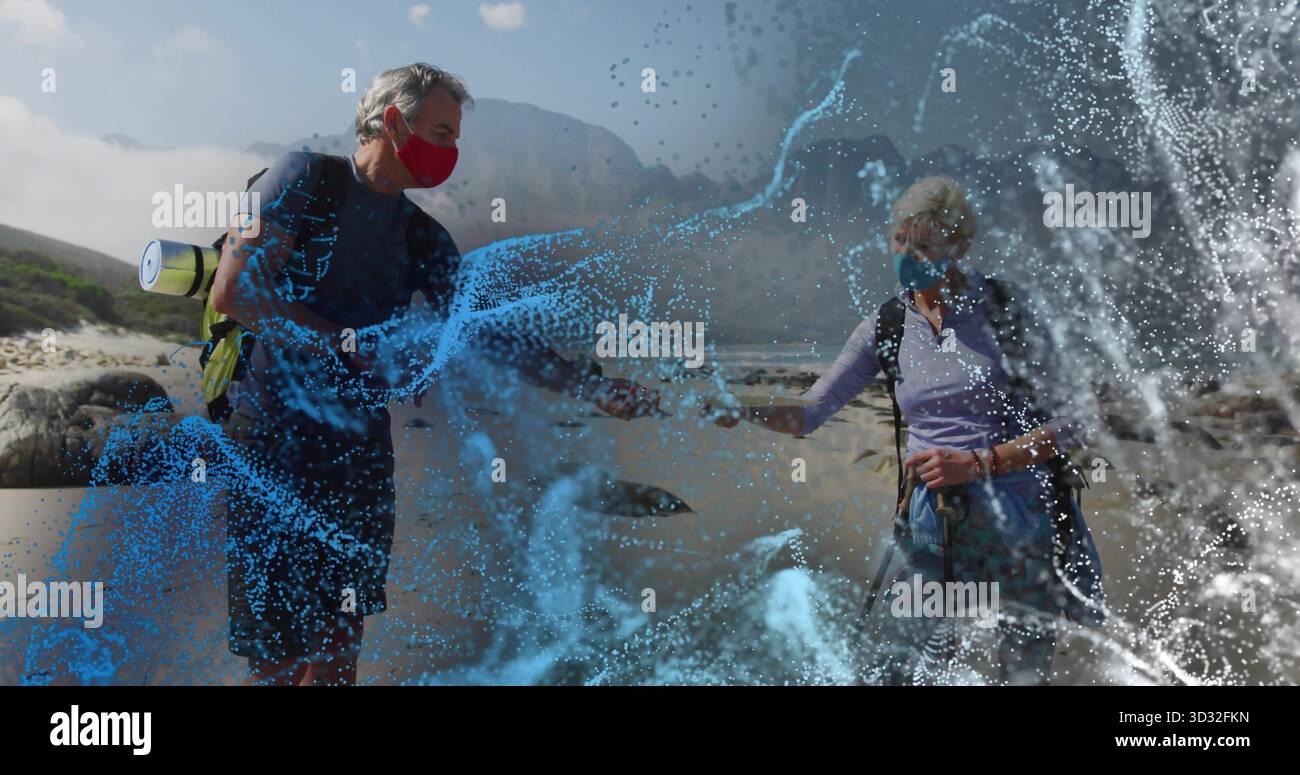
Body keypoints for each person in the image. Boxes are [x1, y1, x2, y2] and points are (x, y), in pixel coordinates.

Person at [209, 63, 660, 685]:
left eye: (455, 137)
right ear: (393, 122)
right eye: (443, 132)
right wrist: (342, 343)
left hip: (359, 458)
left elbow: (485, 333)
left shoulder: (423, 236)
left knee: (340, 651)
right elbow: (234, 292)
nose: (452, 150)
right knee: (277, 659)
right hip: (271, 448)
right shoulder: (304, 180)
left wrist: (592, 387)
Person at [708, 176, 1104, 685]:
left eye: (925, 245)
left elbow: (1075, 419)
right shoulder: (888, 324)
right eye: (899, 241)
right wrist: (742, 410)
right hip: (931, 528)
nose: (907, 256)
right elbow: (811, 411)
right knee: (900, 672)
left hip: (1021, 526)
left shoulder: (1009, 310)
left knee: (1022, 675)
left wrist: (982, 462)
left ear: (960, 246)